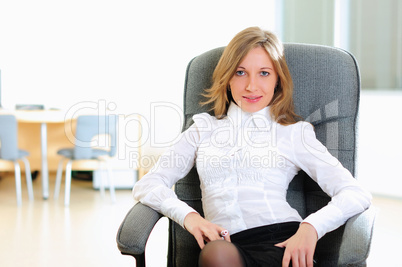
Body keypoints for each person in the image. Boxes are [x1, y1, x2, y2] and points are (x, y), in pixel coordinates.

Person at [133, 27, 372, 267]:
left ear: (278, 79)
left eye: (264, 73)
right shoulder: (202, 129)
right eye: (240, 72)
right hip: (226, 248)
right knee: (215, 254)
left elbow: (355, 193)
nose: (251, 86)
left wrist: (311, 228)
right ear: (227, 78)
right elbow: (148, 184)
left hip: (282, 244)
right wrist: (190, 217)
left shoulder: (292, 133)